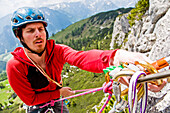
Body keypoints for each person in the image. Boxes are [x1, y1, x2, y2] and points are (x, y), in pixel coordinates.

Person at [6, 7, 166, 113]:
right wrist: (59, 92)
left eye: (41, 29)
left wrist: (115, 58)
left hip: (57, 99)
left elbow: (81, 58)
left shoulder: (57, 50)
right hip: (37, 106)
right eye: (30, 31)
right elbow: (30, 99)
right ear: (20, 36)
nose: (38, 34)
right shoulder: (15, 65)